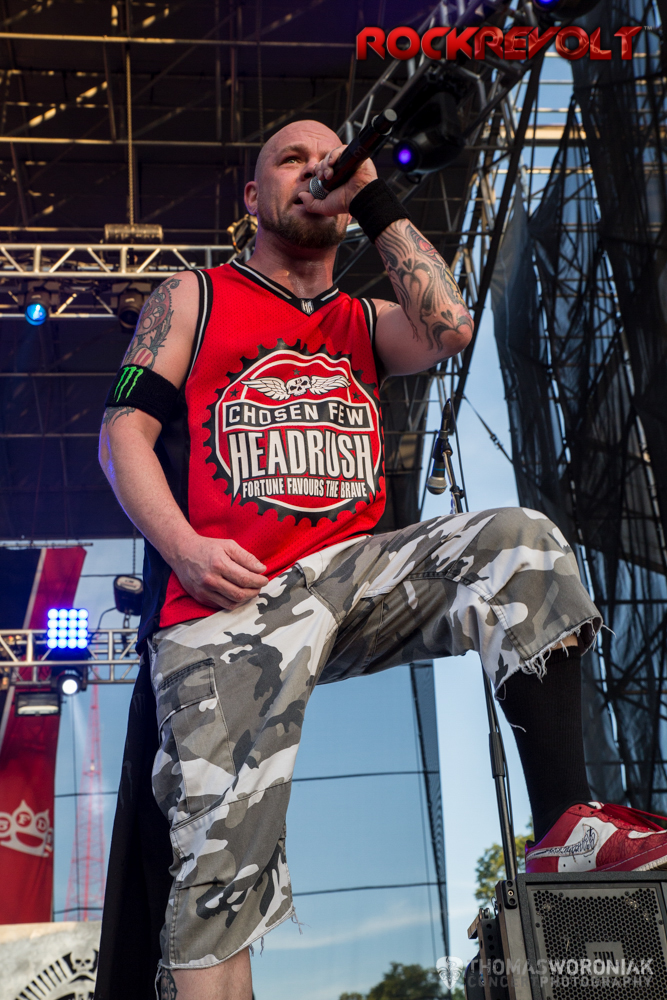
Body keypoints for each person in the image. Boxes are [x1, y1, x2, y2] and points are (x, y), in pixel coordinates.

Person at [98, 119, 667, 1000]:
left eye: (326, 159)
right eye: (290, 159)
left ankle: (567, 827)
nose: (313, 170)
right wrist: (183, 546)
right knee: (217, 889)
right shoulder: (195, 297)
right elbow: (122, 434)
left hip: (351, 578)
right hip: (230, 600)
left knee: (519, 543)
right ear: (252, 196)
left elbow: (449, 328)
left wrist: (372, 197)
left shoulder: (363, 321)